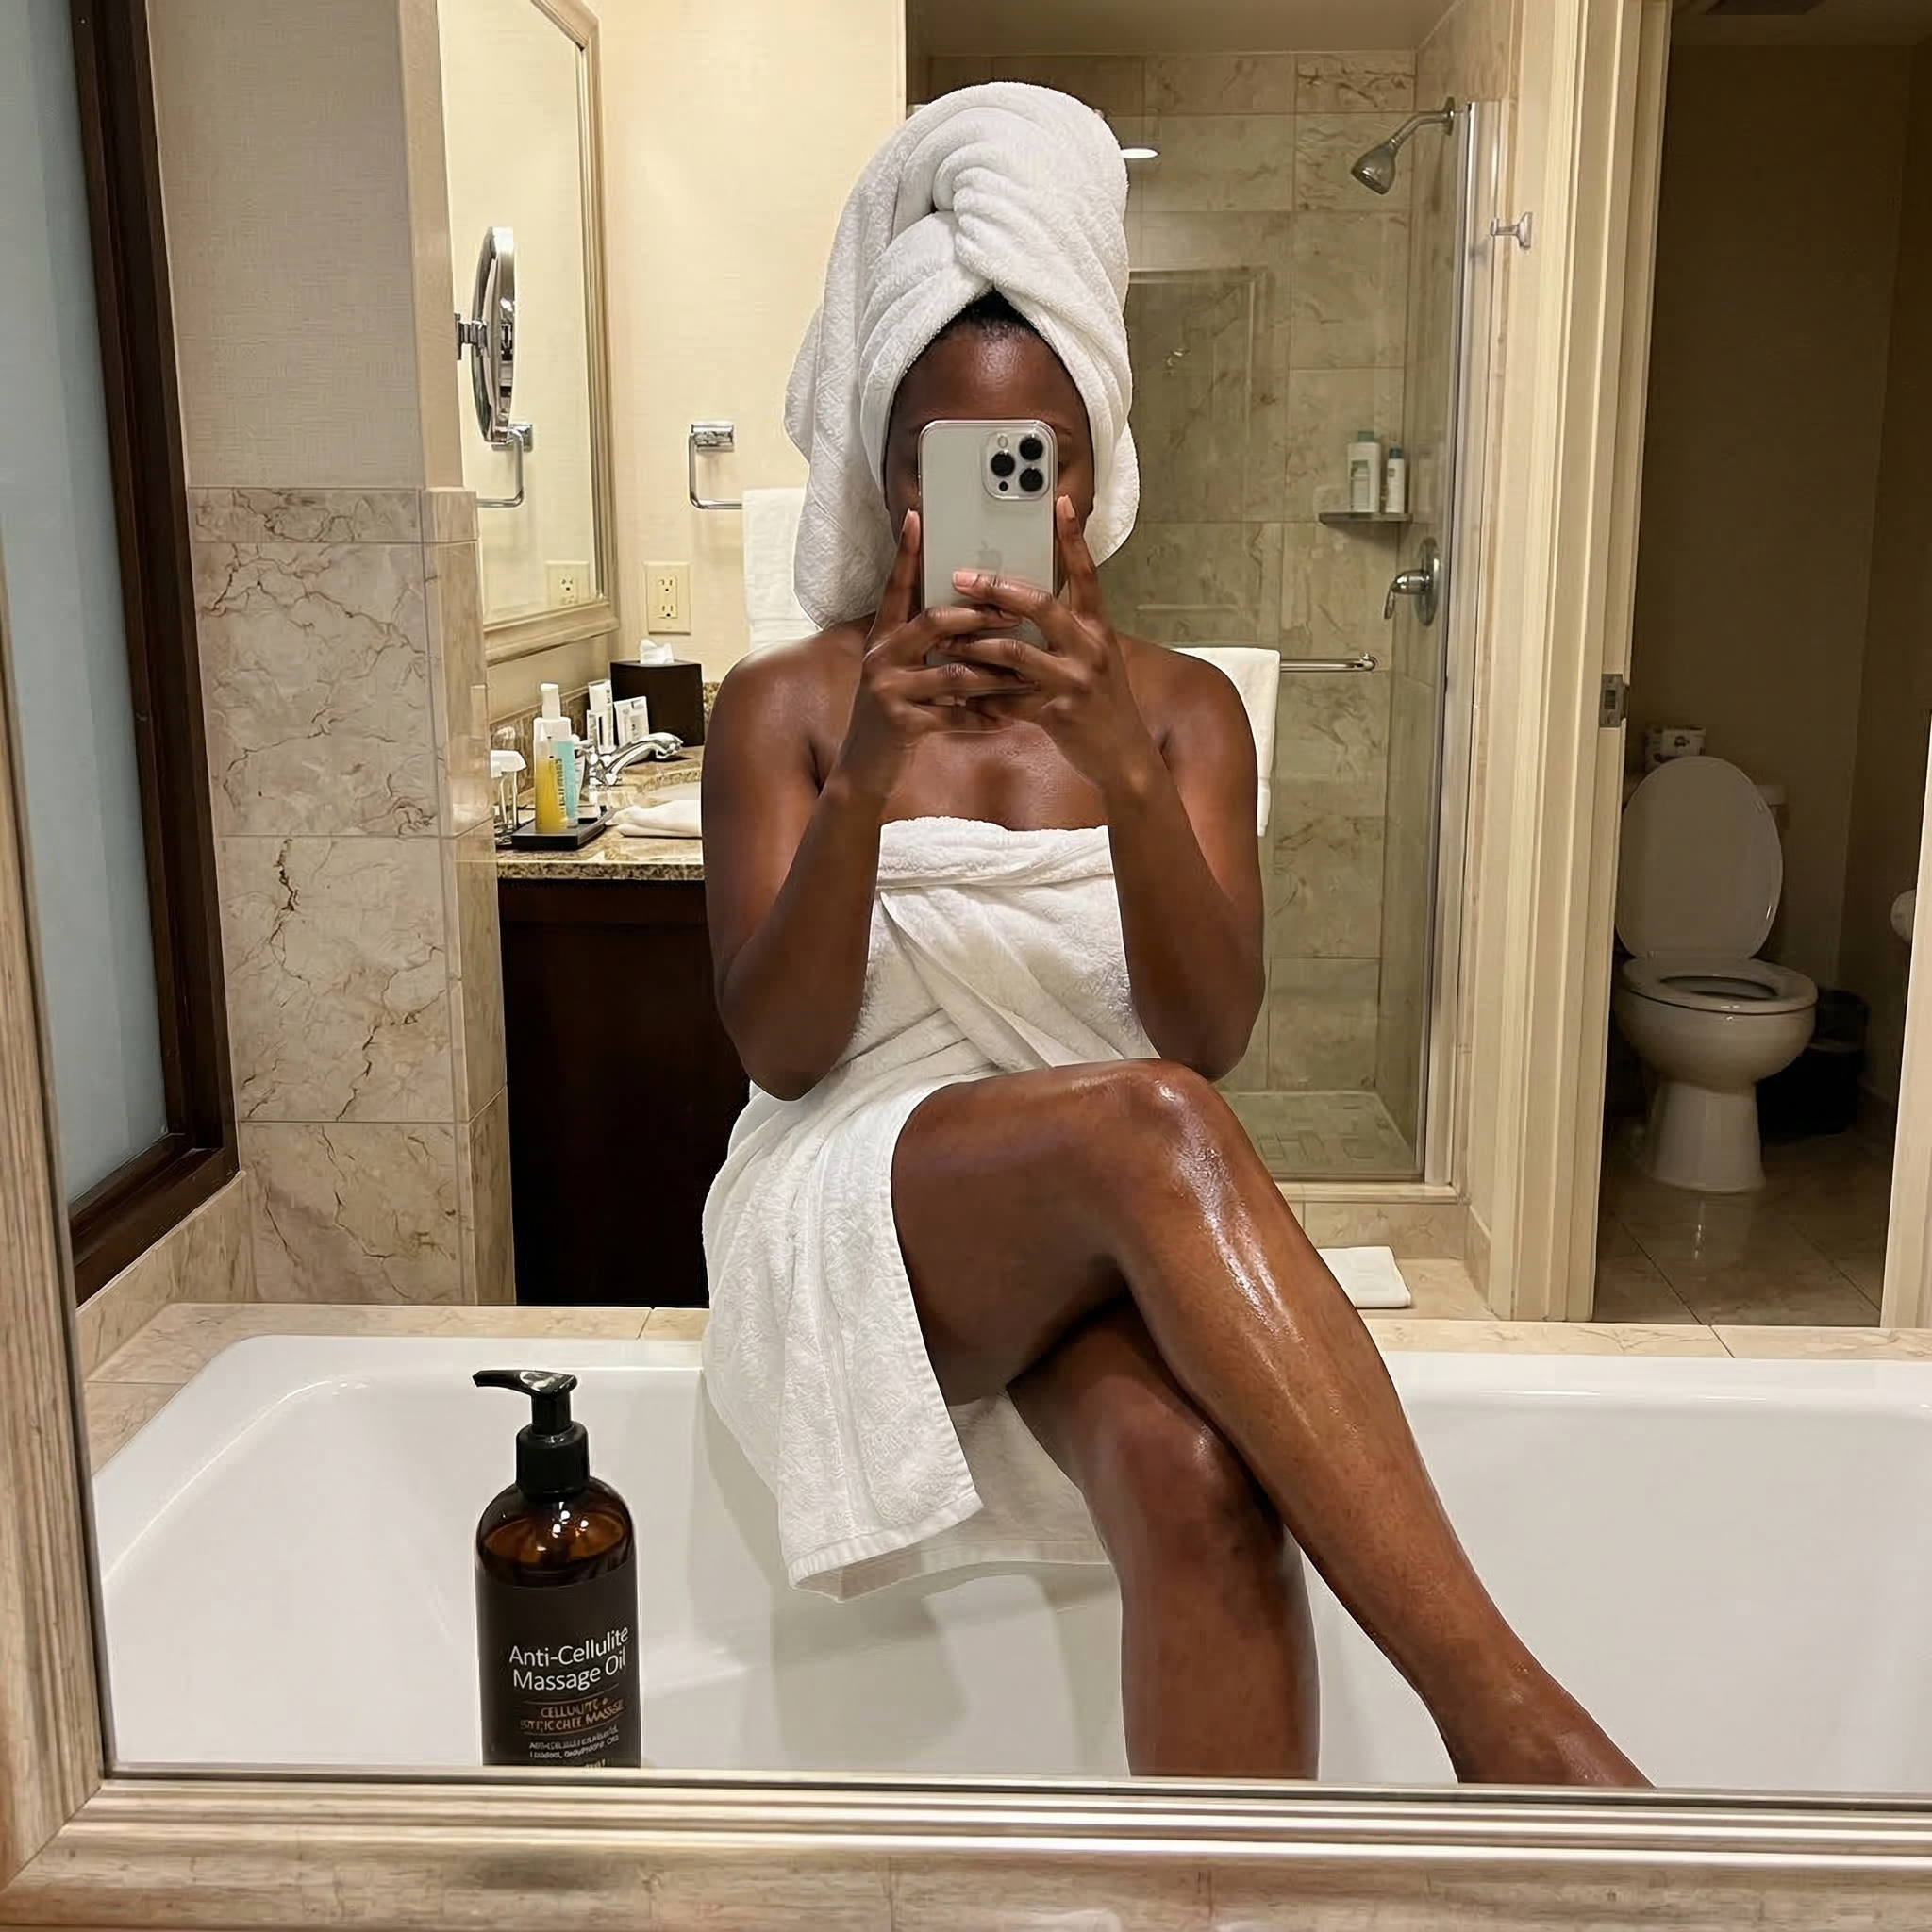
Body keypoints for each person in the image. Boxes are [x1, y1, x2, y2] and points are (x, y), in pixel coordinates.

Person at [700, 82, 1643, 1787]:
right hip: (863, 1201)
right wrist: (871, 779)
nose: (1000, 505)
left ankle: (1225, 1901)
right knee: (1155, 1123)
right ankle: (1521, 1733)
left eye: (1036, 462)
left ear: (1093, 471)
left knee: (1203, 1486)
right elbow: (780, 1052)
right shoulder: (789, 706)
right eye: (947, 463)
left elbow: (1206, 1029)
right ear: (888, 476)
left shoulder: (1185, 712)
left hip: (1105, 1211)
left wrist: (1123, 766)